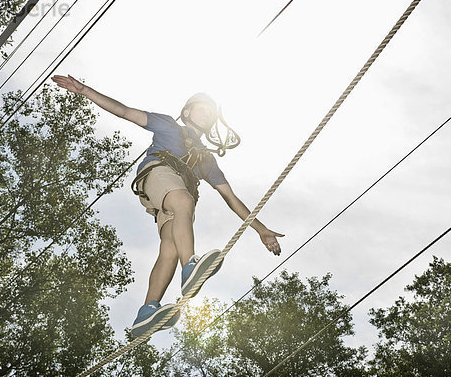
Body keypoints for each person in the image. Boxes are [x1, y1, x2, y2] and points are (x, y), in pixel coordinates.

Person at [51, 74, 283, 336]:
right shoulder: (170, 126)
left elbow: (231, 198)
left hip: (172, 197)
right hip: (158, 174)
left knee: (170, 246)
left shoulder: (207, 160)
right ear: (187, 112)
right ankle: (191, 266)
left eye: (211, 111)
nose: (207, 113)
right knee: (183, 200)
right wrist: (85, 91)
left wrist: (260, 229)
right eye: (201, 107)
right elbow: (125, 112)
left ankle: (147, 310)